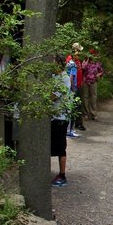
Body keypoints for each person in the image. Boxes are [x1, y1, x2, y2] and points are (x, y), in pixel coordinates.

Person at [51, 54, 72, 187]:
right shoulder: (54, 77)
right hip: (53, 116)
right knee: (53, 144)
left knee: (60, 146)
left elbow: (53, 96)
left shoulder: (64, 78)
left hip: (61, 117)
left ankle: (62, 174)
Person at [66, 42, 85, 133]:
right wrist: (73, 87)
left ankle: (78, 123)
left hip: (79, 84)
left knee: (78, 104)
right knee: (75, 105)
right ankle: (72, 126)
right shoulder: (71, 61)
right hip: (73, 86)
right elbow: (70, 75)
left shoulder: (78, 60)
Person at [81, 48, 104, 121]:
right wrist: (87, 60)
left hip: (93, 81)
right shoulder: (85, 61)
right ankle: (86, 114)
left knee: (93, 97)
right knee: (85, 97)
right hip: (85, 81)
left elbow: (101, 71)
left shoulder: (97, 63)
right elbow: (83, 68)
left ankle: (93, 113)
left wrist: (98, 74)